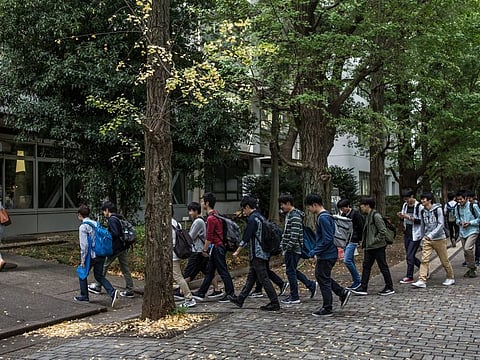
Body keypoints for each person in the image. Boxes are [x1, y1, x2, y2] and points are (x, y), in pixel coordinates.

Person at [230, 196, 280, 311]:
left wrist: (238, 250)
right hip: (264, 252)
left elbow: (247, 236)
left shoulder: (253, 219)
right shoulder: (260, 217)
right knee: (251, 277)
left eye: (244, 209)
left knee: (263, 278)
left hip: (258, 253)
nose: (244, 212)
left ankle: (274, 302)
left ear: (247, 207)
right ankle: (240, 299)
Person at [305, 193, 352, 317]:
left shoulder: (323, 218)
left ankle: (328, 307)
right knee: (322, 276)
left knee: (322, 278)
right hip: (327, 253)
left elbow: (327, 239)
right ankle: (341, 293)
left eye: (309, 207)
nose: (309, 210)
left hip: (327, 254)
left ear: (315, 205)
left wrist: (315, 251)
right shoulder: (325, 216)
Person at [192, 192, 235, 302]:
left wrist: (205, 250)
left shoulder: (211, 218)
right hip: (219, 246)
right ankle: (201, 292)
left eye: (202, 201)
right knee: (210, 271)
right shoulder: (216, 214)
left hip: (216, 247)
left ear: (207, 203)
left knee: (222, 271)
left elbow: (209, 236)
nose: (201, 203)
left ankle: (230, 293)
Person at [174, 202, 223, 300]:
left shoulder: (198, 222)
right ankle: (217, 289)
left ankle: (181, 291)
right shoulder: (202, 220)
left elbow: (190, 237)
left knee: (189, 272)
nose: (189, 213)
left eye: (191, 211)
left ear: (196, 211)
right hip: (201, 251)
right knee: (207, 271)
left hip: (197, 251)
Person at [88, 201, 135, 298]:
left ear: (107, 210)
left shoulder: (112, 220)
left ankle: (98, 286)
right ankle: (130, 289)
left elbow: (115, 233)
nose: (103, 213)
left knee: (104, 266)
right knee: (125, 268)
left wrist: (107, 235)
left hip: (115, 248)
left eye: (104, 211)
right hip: (123, 247)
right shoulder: (119, 217)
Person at [75, 205, 119, 306]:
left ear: (79, 215)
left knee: (82, 274)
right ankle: (112, 292)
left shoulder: (83, 227)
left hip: (91, 255)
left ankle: (84, 296)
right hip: (101, 253)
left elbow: (84, 245)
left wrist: (83, 259)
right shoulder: (95, 223)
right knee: (99, 276)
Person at [350, 197, 395, 296]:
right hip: (370, 247)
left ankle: (389, 286)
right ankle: (363, 287)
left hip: (377, 246)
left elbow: (382, 231)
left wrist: (374, 240)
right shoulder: (368, 216)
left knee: (382, 266)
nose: (361, 207)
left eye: (362, 205)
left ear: (367, 205)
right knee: (366, 266)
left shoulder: (375, 216)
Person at [279, 193, 317, 305]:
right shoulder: (290, 215)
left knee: (291, 271)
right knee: (292, 270)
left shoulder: (294, 216)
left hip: (293, 249)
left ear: (288, 203)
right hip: (291, 248)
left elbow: (294, 235)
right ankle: (310, 285)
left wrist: (287, 247)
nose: (281, 206)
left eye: (282, 204)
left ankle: (295, 296)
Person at [412, 192, 455, 288]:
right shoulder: (422, 211)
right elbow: (422, 225)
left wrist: (431, 235)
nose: (422, 201)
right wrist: (422, 237)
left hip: (439, 238)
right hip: (427, 239)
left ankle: (450, 277)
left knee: (444, 260)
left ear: (429, 200)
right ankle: (422, 280)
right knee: (424, 259)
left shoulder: (438, 210)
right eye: (422, 199)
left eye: (424, 199)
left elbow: (441, 224)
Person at [337, 198, 364, 290]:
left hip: (353, 239)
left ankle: (357, 280)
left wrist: (359, 239)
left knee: (347, 260)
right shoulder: (344, 215)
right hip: (346, 239)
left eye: (343, 208)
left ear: (348, 206)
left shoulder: (355, 214)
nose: (342, 210)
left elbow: (361, 227)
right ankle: (356, 281)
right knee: (350, 260)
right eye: (341, 208)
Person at [396, 190, 422, 284]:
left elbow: (421, 221)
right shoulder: (405, 205)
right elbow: (404, 216)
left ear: (412, 196)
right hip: (407, 232)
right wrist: (401, 216)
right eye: (405, 199)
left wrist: (409, 218)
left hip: (416, 234)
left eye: (408, 199)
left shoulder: (419, 206)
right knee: (410, 255)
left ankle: (409, 276)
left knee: (410, 256)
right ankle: (424, 269)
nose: (407, 201)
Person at [172, 211, 196, 308]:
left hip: (172, 254)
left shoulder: (166, 224)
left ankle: (189, 297)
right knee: (175, 276)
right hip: (177, 252)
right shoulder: (176, 223)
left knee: (178, 277)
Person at [455, 191, 480, 278]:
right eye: (458, 199)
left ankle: (473, 267)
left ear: (466, 198)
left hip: (473, 230)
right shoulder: (457, 207)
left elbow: (479, 218)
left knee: (468, 248)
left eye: (461, 199)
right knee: (465, 252)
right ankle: (471, 269)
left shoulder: (473, 206)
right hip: (463, 231)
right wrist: (460, 222)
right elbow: (457, 219)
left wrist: (470, 223)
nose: (459, 201)